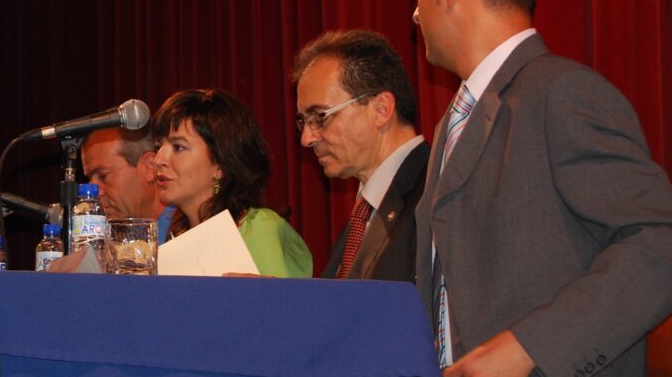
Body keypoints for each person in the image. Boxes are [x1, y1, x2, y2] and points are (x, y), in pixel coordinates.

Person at [412, 0, 672, 377]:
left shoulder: (562, 93)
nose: (415, 13)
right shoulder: (454, 122)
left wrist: (529, 346)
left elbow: (664, 242)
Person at [293, 29, 428, 281]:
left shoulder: (436, 193)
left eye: (319, 116)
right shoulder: (361, 217)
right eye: (304, 121)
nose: (306, 139)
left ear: (381, 109)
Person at [152, 89, 312, 278]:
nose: (158, 159)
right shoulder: (176, 236)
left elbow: (282, 297)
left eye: (178, 147)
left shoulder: (259, 229)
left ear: (220, 164)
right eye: (158, 147)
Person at [81, 127, 174, 242]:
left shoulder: (186, 233)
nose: (95, 193)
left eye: (103, 176)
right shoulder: (109, 240)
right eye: (89, 179)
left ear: (150, 166)